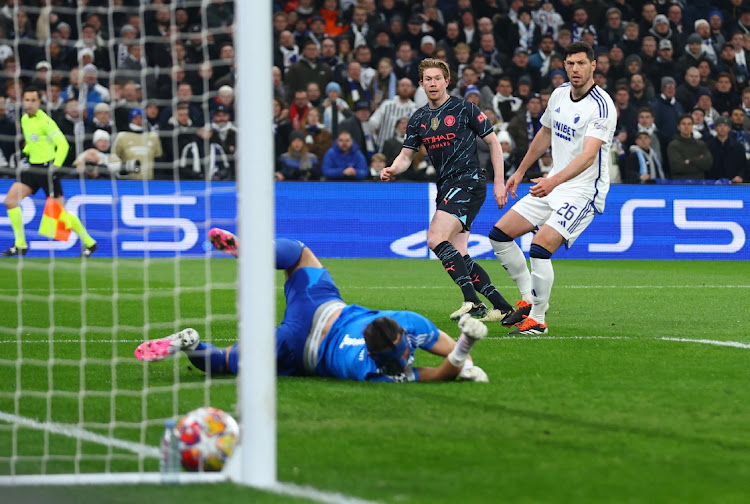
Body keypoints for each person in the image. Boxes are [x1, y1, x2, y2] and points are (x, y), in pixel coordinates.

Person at [135, 234, 489, 383]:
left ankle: (256, 251)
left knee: (302, 253)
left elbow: (438, 353)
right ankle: (192, 343)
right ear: (401, 338)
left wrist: (465, 356)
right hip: (298, 347)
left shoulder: (405, 323)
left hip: (323, 307)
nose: (407, 362)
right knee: (226, 363)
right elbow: (441, 371)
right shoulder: (371, 369)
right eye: (404, 357)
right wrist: (464, 356)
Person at [487, 42, 616, 335]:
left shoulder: (602, 106)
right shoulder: (558, 94)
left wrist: (552, 181)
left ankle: (539, 319)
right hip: (553, 184)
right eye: (570, 63)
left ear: (593, 65)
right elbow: (546, 132)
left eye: (581, 63)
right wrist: (519, 171)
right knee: (499, 235)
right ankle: (527, 298)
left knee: (540, 248)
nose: (575, 69)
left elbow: (588, 155)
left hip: (583, 192)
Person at [380, 58, 513, 323]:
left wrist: (499, 182)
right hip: (447, 187)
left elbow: (494, 143)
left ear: (446, 81)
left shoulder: (465, 108)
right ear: (421, 84)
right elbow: (407, 156)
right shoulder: (418, 119)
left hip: (469, 181)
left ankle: (472, 302)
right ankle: (502, 306)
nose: (432, 83)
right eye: (427, 79)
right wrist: (393, 168)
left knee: (434, 238)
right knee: (459, 253)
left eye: (437, 78)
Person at [2, 87, 98, 257]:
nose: (29, 104)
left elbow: (63, 144)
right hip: (32, 168)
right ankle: (20, 245)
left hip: (47, 169)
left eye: (33, 100)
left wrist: (56, 166)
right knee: (11, 201)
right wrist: (25, 154)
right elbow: (33, 144)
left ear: (39, 102)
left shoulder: (46, 122)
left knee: (60, 214)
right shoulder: (24, 119)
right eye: (27, 100)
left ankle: (89, 242)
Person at [667, 114, 713, 180]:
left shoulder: (701, 144)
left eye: (689, 124)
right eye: (683, 124)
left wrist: (690, 161)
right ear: (679, 127)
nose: (686, 127)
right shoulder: (673, 145)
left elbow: (708, 164)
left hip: (699, 184)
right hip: (680, 184)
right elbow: (677, 167)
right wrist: (699, 161)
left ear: (692, 126)